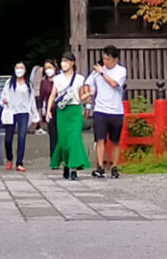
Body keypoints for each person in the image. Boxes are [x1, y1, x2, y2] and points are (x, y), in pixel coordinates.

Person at [89, 45, 130, 178]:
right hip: (100, 109)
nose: (105, 61)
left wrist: (102, 73)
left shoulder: (121, 71)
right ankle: (100, 166)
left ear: (115, 59)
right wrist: (88, 92)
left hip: (116, 110)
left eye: (108, 59)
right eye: (104, 58)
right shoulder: (97, 71)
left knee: (115, 141)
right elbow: (88, 84)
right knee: (100, 139)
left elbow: (114, 84)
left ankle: (114, 166)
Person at [49, 56, 90, 180]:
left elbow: (81, 96)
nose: (63, 63)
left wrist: (87, 96)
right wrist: (48, 111)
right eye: (62, 61)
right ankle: (66, 164)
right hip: (62, 111)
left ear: (72, 63)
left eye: (66, 61)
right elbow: (52, 95)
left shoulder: (80, 78)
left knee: (74, 139)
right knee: (64, 141)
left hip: (75, 110)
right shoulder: (57, 79)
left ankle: (73, 169)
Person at [0, 62, 38, 170]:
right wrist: (4, 101)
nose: (19, 70)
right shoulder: (9, 82)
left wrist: (35, 115)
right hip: (11, 111)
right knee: (8, 139)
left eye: (21, 68)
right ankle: (9, 158)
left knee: (22, 137)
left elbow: (32, 100)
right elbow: (3, 96)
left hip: (23, 112)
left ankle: (19, 162)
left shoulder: (28, 84)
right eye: (17, 67)